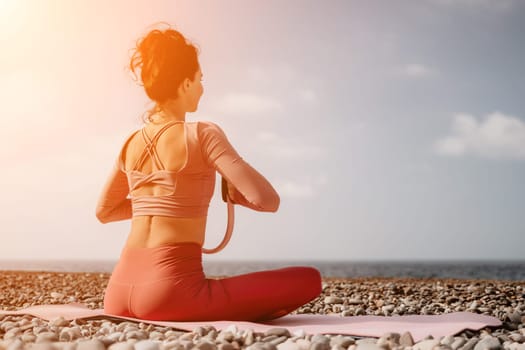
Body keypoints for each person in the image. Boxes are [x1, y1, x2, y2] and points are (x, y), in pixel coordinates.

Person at [96, 24, 322, 321]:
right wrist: (235, 194)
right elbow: (268, 201)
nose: (202, 87)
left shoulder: (131, 143)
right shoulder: (203, 134)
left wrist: (150, 205)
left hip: (117, 295)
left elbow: (105, 212)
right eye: (200, 79)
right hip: (169, 296)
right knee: (309, 279)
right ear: (185, 84)